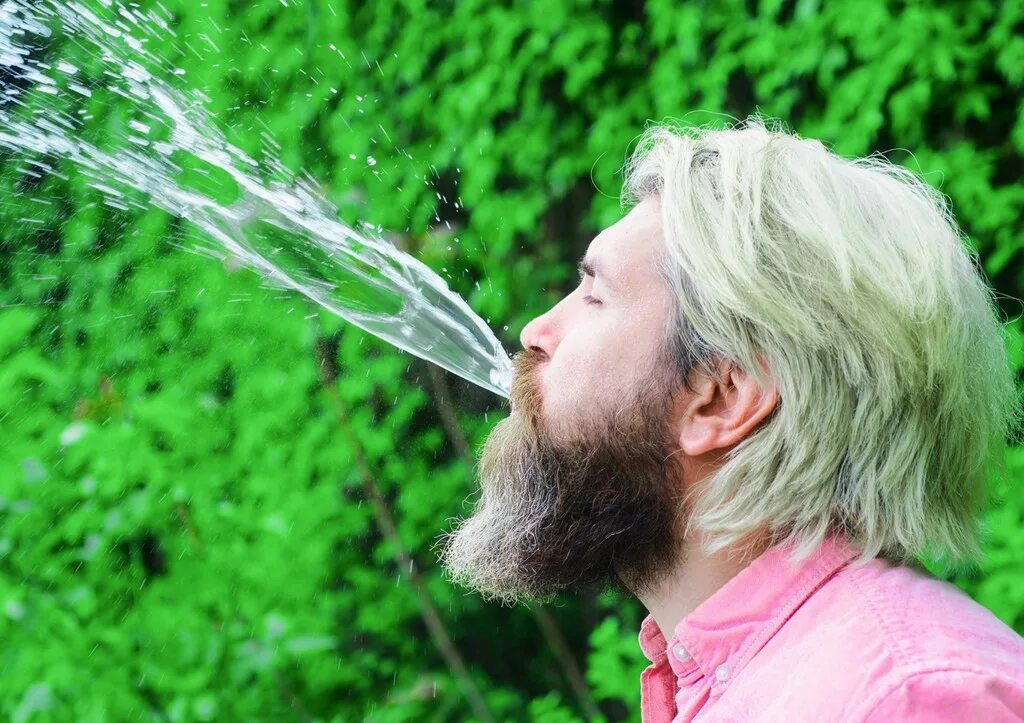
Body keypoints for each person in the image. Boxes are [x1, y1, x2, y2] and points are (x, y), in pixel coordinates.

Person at [437, 116, 1024, 721]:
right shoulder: (761, 679)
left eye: (594, 295)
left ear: (722, 397)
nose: (537, 332)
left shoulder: (906, 701)